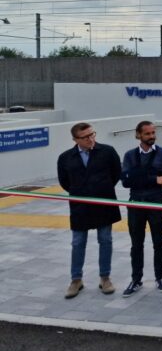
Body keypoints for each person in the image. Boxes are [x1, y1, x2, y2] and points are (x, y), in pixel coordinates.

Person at [57, 122, 122, 299]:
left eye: (92, 134)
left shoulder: (107, 151)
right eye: (85, 137)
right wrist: (81, 191)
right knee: (78, 242)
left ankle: (105, 278)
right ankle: (76, 280)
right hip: (80, 206)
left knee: (105, 240)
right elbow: (64, 181)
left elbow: (116, 173)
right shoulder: (66, 157)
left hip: (104, 204)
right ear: (75, 139)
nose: (90, 139)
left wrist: (101, 189)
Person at [121, 121, 162, 297]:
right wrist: (155, 179)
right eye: (147, 133)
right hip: (136, 203)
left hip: (157, 202)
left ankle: (160, 276)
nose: (152, 136)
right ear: (138, 135)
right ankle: (136, 279)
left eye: (153, 133)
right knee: (136, 243)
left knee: (159, 241)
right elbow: (126, 181)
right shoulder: (130, 155)